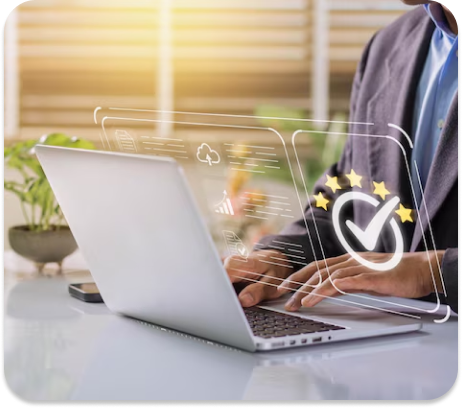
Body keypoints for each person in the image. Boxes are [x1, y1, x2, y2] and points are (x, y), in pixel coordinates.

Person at [225, 1, 458, 313]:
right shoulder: (386, 47)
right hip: (382, 345)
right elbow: (347, 193)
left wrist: (435, 272)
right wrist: (284, 256)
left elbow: (424, 267)